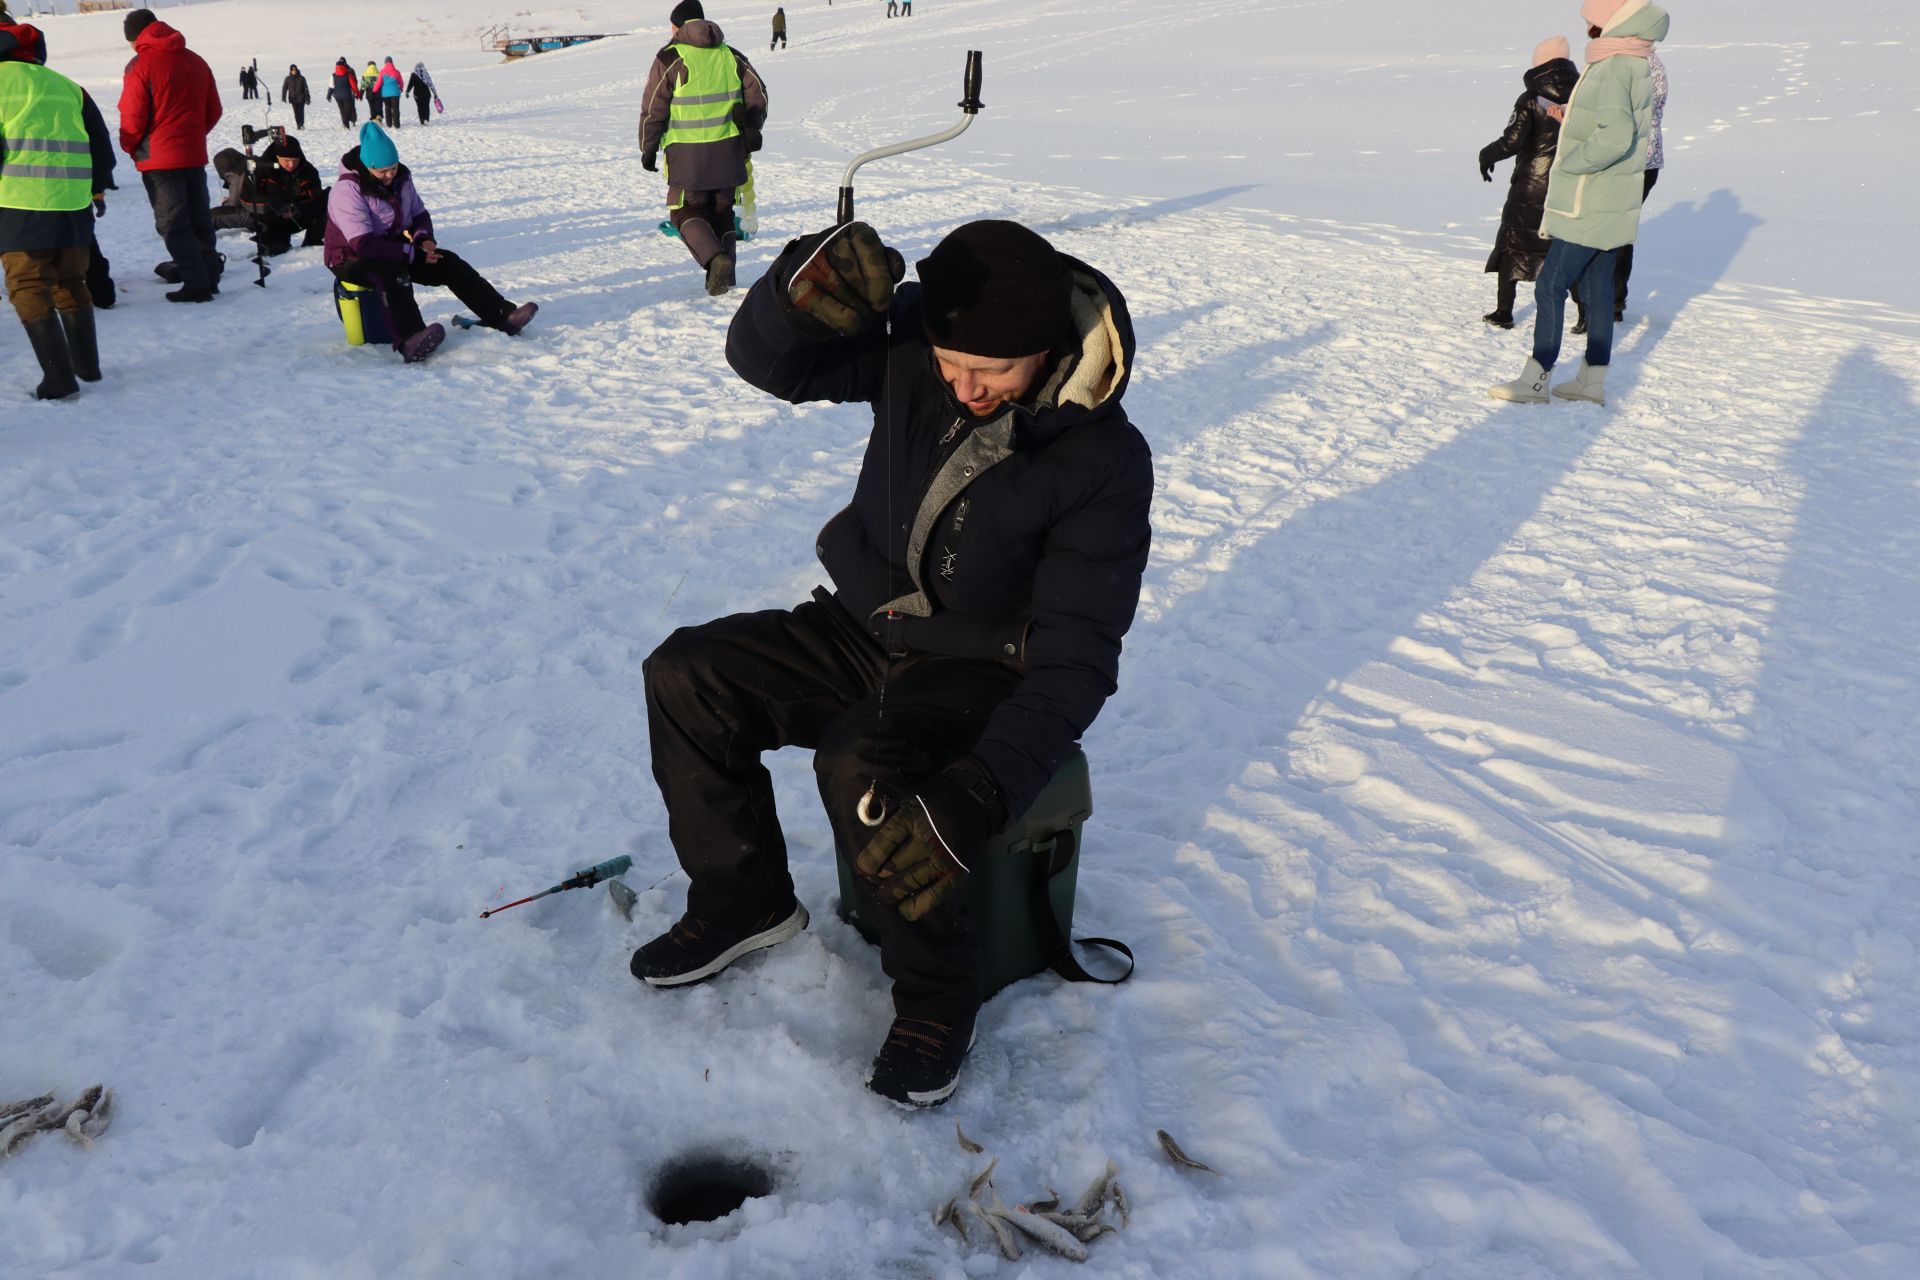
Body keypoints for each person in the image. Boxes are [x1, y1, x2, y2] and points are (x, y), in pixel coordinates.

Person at [632, 219, 1154, 1109]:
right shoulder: (914, 344)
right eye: (951, 362)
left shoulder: (1103, 461)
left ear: (1046, 348)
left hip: (979, 667)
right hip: (863, 621)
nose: (964, 384)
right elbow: (771, 366)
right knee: (689, 673)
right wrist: (797, 294)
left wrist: (983, 790)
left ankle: (938, 997)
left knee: (863, 768)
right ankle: (743, 900)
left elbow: (1078, 659)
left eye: (990, 371)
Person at [1490, 0, 1670, 407]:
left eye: (1592, 19)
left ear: (1611, 22)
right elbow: (1620, 122)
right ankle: (1591, 383)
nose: (1588, 26)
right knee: (1598, 291)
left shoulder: (1612, 67)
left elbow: (1614, 136)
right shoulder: (1636, 62)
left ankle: (1535, 381)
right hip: (1614, 197)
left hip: (1590, 198)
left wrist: (1570, 161)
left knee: (1550, 284)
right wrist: (1571, 116)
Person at [324, 122, 537, 364]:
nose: (390, 175)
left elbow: (418, 214)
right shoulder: (348, 189)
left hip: (394, 248)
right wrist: (409, 253)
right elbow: (364, 245)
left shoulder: (401, 178)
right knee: (392, 273)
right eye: (382, 171)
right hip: (349, 257)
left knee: (448, 262)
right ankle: (410, 337)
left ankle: (502, 315)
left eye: (393, 167)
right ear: (368, 166)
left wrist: (423, 240)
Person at [0, 12, 114, 399]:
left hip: (18, 204)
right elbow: (101, 146)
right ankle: (87, 366)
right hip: (73, 204)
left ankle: (59, 378)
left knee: (29, 285)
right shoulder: (68, 86)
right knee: (71, 281)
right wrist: (95, 190)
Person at [639, 1, 768, 296]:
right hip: (729, 152)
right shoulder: (730, 56)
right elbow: (758, 94)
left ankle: (715, 260)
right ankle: (727, 277)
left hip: (688, 157)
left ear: (677, 26)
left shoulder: (670, 57)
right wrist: (752, 122)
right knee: (722, 211)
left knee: (685, 212)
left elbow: (653, 108)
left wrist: (647, 147)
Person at [118, 8, 224, 303]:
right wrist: (192, 136)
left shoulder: (139, 65)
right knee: (199, 218)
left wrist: (131, 146)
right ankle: (209, 276)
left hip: (159, 158)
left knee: (173, 223)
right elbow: (213, 109)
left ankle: (196, 283)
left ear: (135, 36)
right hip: (192, 154)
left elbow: (133, 116)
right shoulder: (196, 60)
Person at [1477, 37, 1579, 329]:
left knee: (1512, 243)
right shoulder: (1583, 92)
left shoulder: (1532, 97)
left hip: (1531, 184)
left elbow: (1512, 141)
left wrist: (1487, 154)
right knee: (1564, 248)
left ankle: (1503, 312)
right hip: (1568, 183)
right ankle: (1584, 314)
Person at [1606, 44, 1666, 326]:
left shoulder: (1638, 64)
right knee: (1619, 230)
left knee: (1613, 231)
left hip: (1632, 160)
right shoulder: (1647, 63)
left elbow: (1623, 113)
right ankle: (1612, 300)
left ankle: (1610, 300)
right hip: (1642, 160)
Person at [252, 133, 327, 253]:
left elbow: (316, 199)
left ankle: (313, 242)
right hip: (271, 220)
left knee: (329, 202)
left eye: (295, 160)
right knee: (276, 250)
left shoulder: (308, 171)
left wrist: (298, 208)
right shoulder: (262, 169)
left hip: (298, 217)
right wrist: (276, 205)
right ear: (277, 157)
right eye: (286, 160)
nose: (291, 165)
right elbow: (249, 197)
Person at [329, 56, 359, 128]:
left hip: (342, 93)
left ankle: (350, 121)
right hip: (349, 92)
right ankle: (349, 121)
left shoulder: (348, 70)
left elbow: (332, 85)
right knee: (350, 107)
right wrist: (356, 91)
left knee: (345, 108)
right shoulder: (349, 71)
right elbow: (354, 81)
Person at [377, 57, 403, 129]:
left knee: (387, 108)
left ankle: (389, 124)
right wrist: (401, 88)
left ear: (385, 63)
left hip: (385, 94)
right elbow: (401, 82)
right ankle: (397, 124)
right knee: (396, 109)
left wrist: (374, 90)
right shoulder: (397, 72)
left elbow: (379, 82)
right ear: (392, 62)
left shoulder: (382, 72)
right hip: (395, 93)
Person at [283, 64, 310, 129]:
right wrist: (283, 97)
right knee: (296, 113)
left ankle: (301, 124)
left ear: (297, 70)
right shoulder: (288, 79)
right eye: (292, 70)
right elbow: (285, 88)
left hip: (301, 98)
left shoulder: (302, 78)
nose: (294, 71)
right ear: (290, 71)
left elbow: (305, 88)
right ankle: (298, 125)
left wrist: (307, 98)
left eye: (295, 70)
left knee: (301, 112)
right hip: (293, 99)